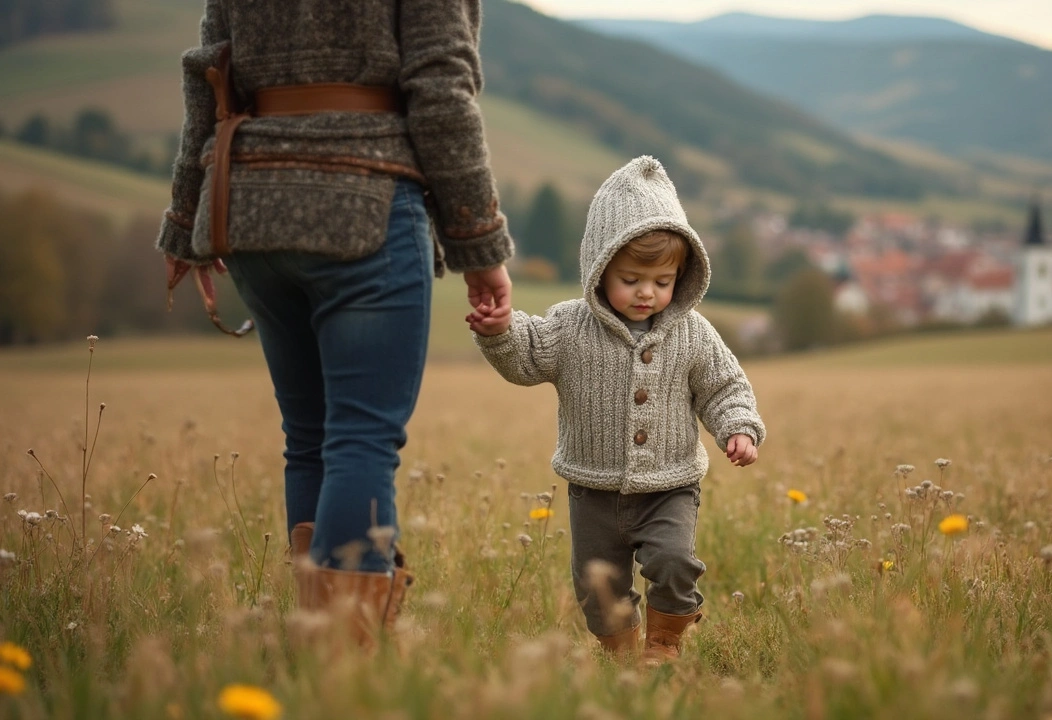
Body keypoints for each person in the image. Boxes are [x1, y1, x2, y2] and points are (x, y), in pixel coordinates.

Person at [157, 0, 514, 642]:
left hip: (252, 208)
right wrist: (480, 246)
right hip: (367, 204)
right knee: (360, 439)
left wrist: (187, 223)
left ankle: (318, 640)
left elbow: (208, 74)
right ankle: (343, 661)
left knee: (311, 438)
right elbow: (441, 87)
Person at [467, 156, 765, 663]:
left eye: (664, 280)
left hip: (670, 485)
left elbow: (724, 387)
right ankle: (623, 657)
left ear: (682, 276)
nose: (648, 292)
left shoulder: (693, 332)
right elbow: (526, 356)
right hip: (593, 488)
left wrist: (738, 427)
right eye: (631, 279)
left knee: (673, 562)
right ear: (599, 268)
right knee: (597, 587)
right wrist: (499, 331)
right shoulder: (569, 326)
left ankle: (665, 640)